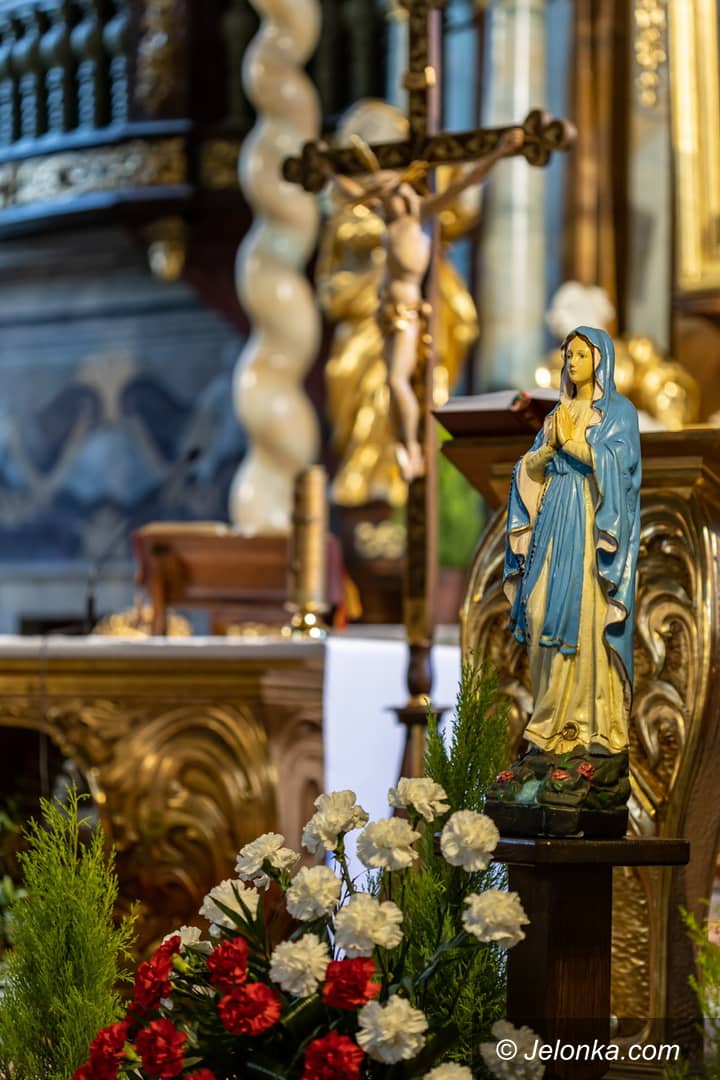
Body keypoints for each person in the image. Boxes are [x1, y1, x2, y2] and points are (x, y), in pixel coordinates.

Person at [491, 326, 642, 836]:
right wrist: (539, 457)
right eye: (568, 354)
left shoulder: (617, 413)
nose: (572, 361)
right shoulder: (555, 413)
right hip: (553, 526)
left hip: (588, 533)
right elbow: (530, 470)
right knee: (538, 615)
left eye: (581, 354)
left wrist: (572, 445)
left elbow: (619, 470)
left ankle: (585, 738)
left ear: (600, 359)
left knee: (583, 624)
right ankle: (547, 734)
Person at [322, 128, 523, 482]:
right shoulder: (389, 220)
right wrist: (327, 171)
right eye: (383, 198)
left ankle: (411, 448)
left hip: (407, 313)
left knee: (397, 380)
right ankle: (403, 445)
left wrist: (499, 152)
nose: (385, 202)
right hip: (384, 311)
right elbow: (352, 193)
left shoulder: (421, 219)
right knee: (390, 383)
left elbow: (466, 182)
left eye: (391, 194)